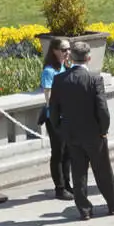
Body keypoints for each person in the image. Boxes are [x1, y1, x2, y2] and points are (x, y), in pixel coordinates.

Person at [48, 40, 114, 220]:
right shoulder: (95, 79)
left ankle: (84, 209)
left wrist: (60, 129)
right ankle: (113, 205)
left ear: (70, 57)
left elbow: (53, 109)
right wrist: (104, 130)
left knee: (78, 172)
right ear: (89, 58)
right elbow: (102, 109)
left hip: (71, 133)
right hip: (94, 133)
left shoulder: (59, 79)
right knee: (103, 170)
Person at [40, 37, 74, 199]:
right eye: (64, 50)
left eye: (69, 49)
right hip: (55, 116)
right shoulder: (49, 70)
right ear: (54, 51)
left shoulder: (68, 67)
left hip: (68, 114)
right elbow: (48, 96)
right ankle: (59, 187)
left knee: (68, 151)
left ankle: (67, 184)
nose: (67, 53)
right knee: (58, 152)